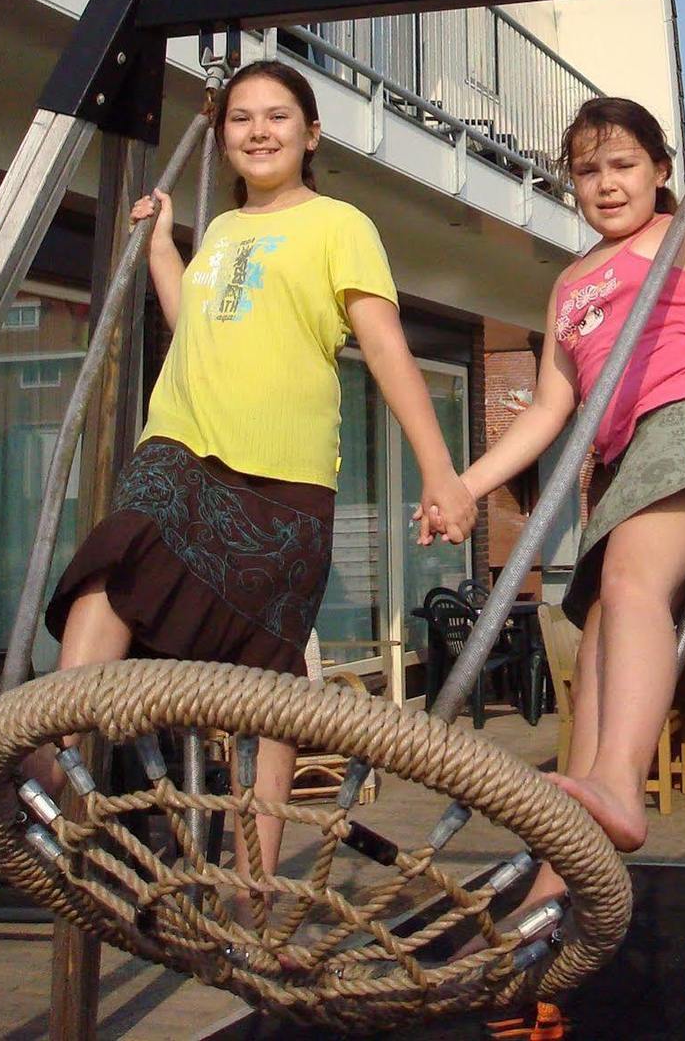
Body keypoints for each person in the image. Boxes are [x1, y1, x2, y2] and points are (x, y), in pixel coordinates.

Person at [33, 60, 476, 897]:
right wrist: (165, 245)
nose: (259, 130)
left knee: (262, 690)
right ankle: (59, 751)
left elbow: (382, 346)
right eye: (241, 118)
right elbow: (192, 325)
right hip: (184, 449)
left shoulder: (340, 224)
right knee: (112, 560)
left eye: (278, 116)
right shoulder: (224, 231)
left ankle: (253, 888)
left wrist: (439, 468)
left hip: (283, 482)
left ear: (312, 135)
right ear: (225, 136)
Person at [459, 94, 685, 903]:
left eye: (624, 165)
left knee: (630, 591)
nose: (607, 184)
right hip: (619, 464)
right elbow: (550, 410)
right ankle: (560, 873)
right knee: (598, 650)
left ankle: (621, 786)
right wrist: (467, 487)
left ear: (660, 171)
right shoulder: (569, 286)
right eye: (588, 170)